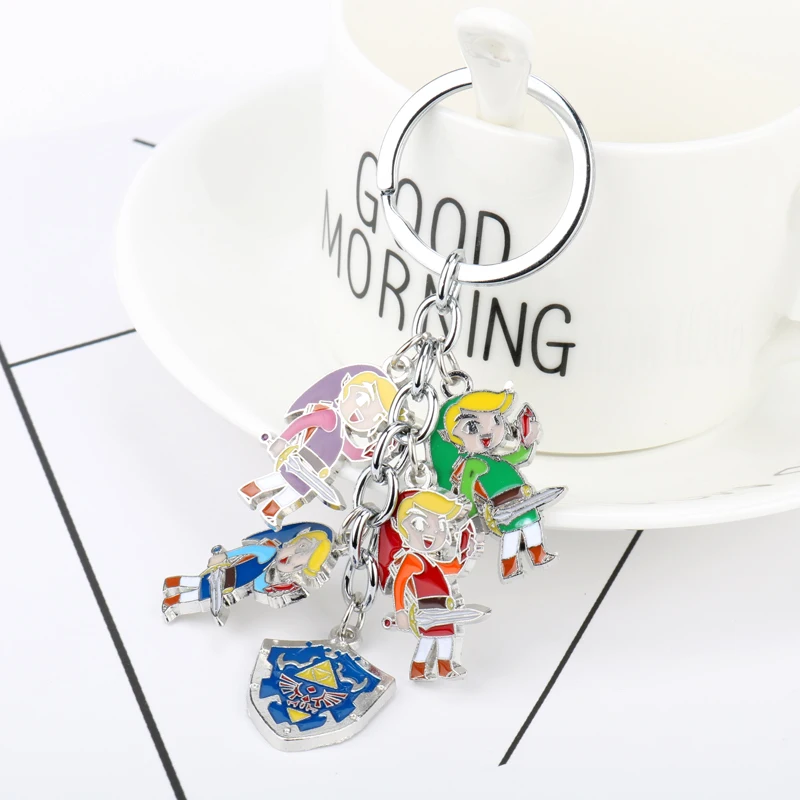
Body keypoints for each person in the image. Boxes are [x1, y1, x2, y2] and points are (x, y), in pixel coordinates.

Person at [238, 365, 397, 529]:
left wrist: (378, 448)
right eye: (360, 399)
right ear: (346, 386)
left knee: (296, 493)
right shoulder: (329, 417)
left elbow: (354, 454)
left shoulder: (344, 437)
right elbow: (302, 422)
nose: (362, 412)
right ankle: (249, 491)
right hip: (301, 460)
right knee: (280, 479)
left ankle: (271, 512)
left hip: (317, 473)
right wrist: (283, 440)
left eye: (376, 416)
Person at [430, 388, 562, 581]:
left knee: (532, 526)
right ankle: (509, 568)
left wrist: (528, 441)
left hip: (523, 499)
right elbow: (466, 492)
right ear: (451, 435)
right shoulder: (472, 464)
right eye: (472, 427)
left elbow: (520, 456)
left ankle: (539, 555)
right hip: (501, 508)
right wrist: (472, 520)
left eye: (496, 421)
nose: (487, 433)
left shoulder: (495, 459)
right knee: (511, 535)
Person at [380, 490, 484, 681]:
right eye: (420, 524)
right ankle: (418, 670)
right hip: (427, 610)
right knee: (428, 641)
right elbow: (400, 583)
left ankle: (444, 669)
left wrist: (468, 550)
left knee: (445, 639)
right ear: (401, 528)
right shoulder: (412, 559)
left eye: (441, 525)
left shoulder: (431, 561)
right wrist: (400, 611)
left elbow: (454, 567)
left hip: (445, 608)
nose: (433, 532)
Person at [162, 522, 335, 623]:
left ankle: (171, 597)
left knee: (198, 589)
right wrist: (224, 556)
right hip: (224, 574)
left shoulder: (268, 573)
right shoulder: (269, 551)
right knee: (198, 589)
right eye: (298, 549)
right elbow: (248, 550)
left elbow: (258, 585)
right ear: (291, 542)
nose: (291, 559)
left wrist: (275, 591)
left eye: (297, 565)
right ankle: (171, 601)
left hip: (229, 587)